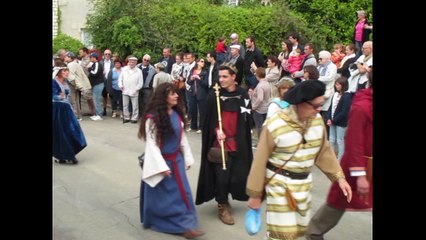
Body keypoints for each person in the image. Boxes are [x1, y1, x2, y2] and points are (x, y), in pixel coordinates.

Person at [245, 80, 352, 240]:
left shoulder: (317, 122)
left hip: (303, 186)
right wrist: (255, 196)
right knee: (282, 235)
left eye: (321, 104)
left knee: (297, 232)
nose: (319, 109)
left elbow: (324, 151)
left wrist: (339, 178)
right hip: (279, 187)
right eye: (315, 106)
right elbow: (260, 161)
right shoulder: (275, 124)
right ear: (301, 103)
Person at [306, 71, 372, 240]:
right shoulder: (362, 107)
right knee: (340, 199)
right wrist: (361, 175)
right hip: (359, 166)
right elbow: (354, 142)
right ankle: (314, 231)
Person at [138, 83, 205, 239]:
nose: (176, 96)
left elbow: (182, 138)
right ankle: (179, 225)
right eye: (172, 94)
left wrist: (187, 157)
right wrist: (161, 166)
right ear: (163, 97)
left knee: (183, 193)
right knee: (169, 197)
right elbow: (152, 145)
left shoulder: (176, 114)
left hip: (177, 161)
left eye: (176, 93)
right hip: (162, 163)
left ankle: (186, 224)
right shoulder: (152, 118)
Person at [195, 63, 254, 225]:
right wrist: (216, 130)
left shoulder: (243, 95)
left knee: (235, 176)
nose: (220, 80)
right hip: (220, 145)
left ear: (234, 77)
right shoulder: (214, 95)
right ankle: (222, 206)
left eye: (224, 76)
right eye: (219, 76)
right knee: (221, 177)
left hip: (238, 143)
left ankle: (226, 199)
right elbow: (207, 120)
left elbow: (247, 119)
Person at [52, 65, 87, 164]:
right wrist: (59, 96)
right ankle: (65, 156)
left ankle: (68, 154)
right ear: (59, 73)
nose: (67, 73)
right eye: (64, 71)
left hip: (66, 109)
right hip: (57, 109)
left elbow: (67, 97)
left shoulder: (66, 82)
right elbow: (54, 96)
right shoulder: (54, 82)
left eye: (67, 71)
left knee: (72, 130)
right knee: (60, 133)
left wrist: (70, 107)